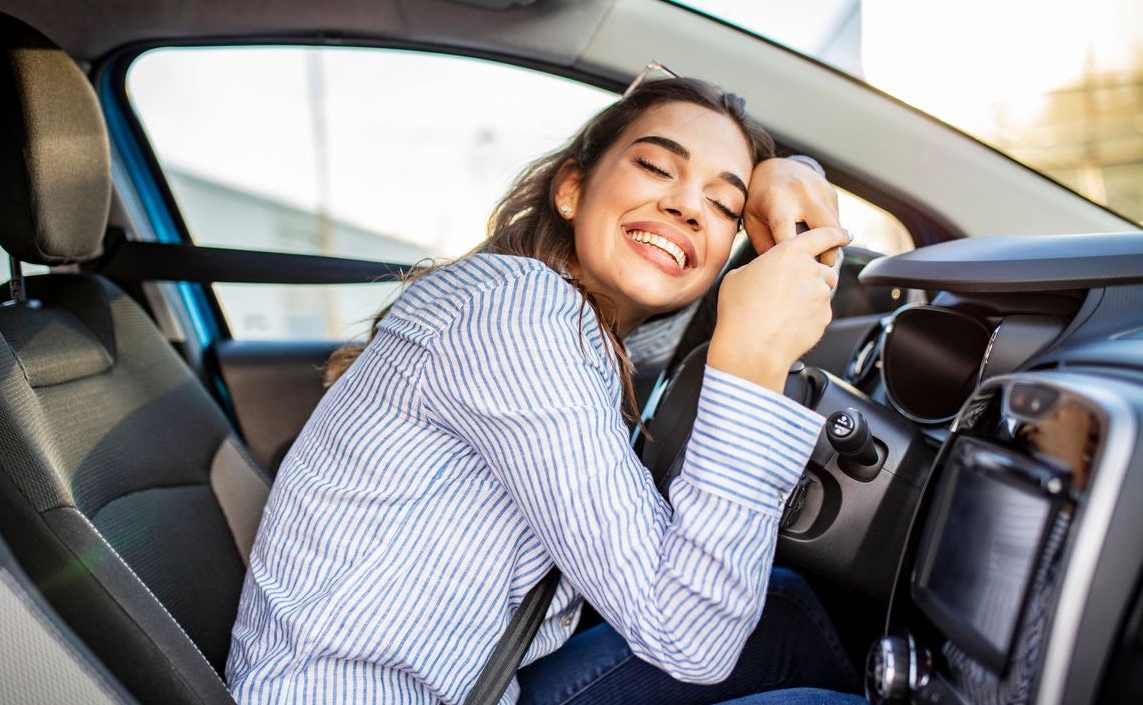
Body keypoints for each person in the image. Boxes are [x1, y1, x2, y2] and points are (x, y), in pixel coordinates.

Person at [226, 74, 863, 705]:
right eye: (655, 166)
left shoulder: (590, 328)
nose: (688, 206)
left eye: (724, 206)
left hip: (471, 685)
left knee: (784, 608)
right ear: (572, 189)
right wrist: (753, 359)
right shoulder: (516, 309)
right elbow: (692, 637)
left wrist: (787, 172)